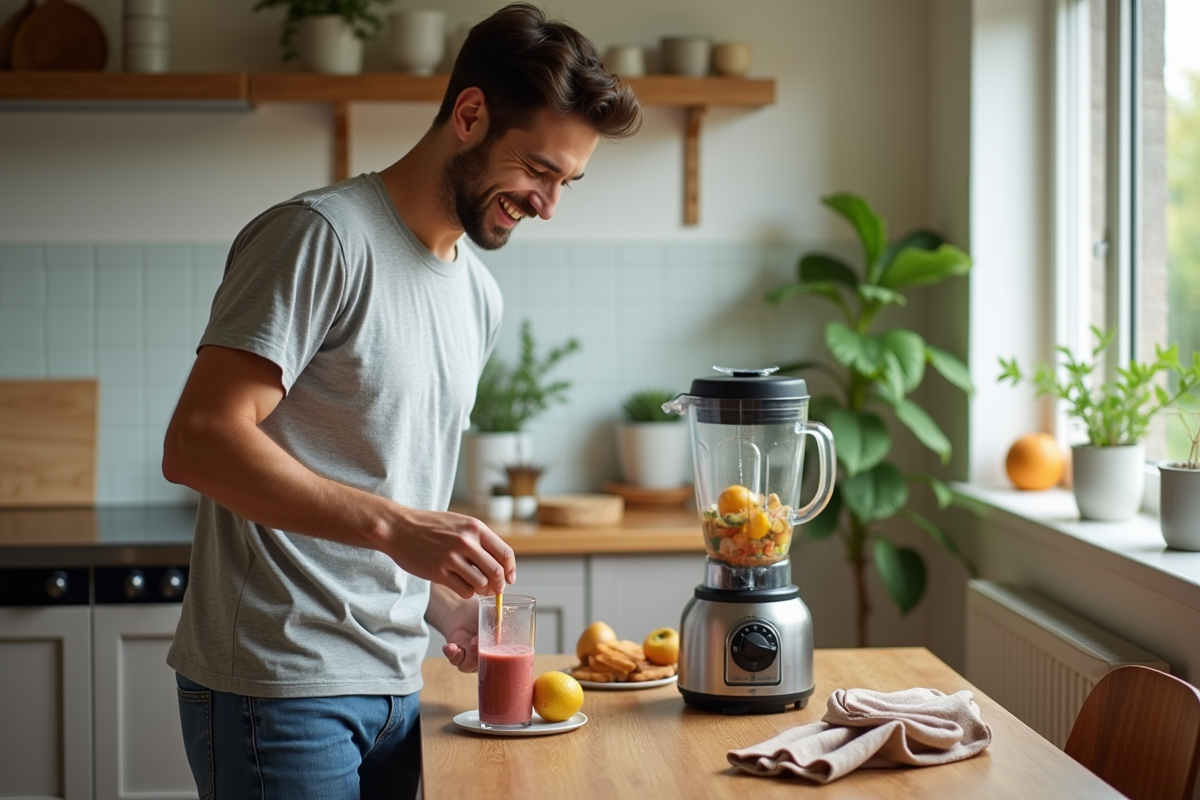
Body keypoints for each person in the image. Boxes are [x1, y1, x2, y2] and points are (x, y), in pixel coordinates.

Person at [160, 4, 641, 798]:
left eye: (567, 183)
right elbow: (200, 442)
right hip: (281, 689)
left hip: (397, 685)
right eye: (538, 170)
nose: (548, 204)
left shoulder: (475, 294)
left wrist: (439, 605)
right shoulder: (321, 237)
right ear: (470, 113)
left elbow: (382, 485)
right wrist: (397, 528)